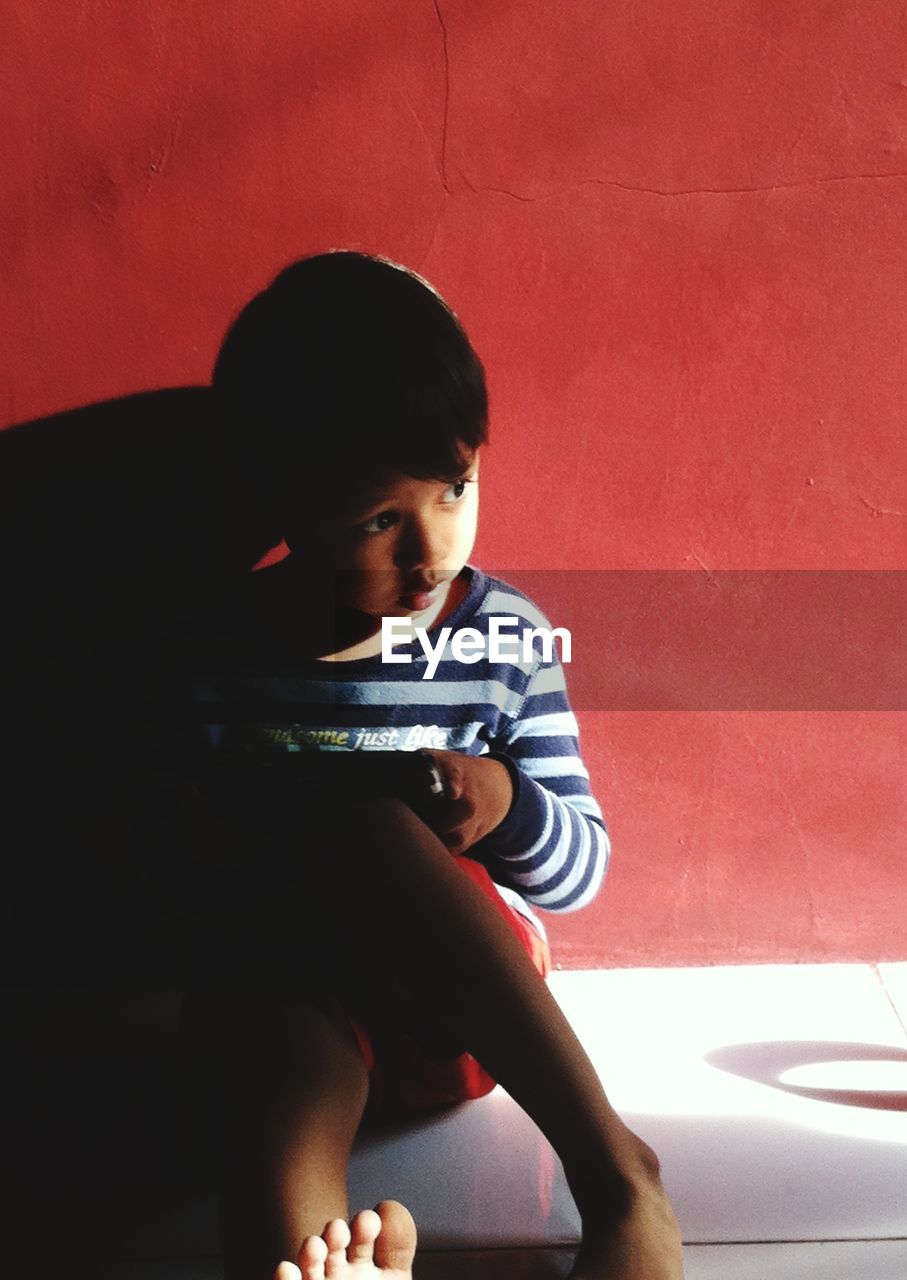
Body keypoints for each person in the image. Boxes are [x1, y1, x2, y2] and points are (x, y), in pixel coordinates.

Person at [167, 252, 685, 1279]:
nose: (429, 548)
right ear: (277, 505)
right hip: (298, 1000)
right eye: (376, 518)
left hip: (463, 1002)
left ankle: (617, 1173)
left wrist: (500, 807)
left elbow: (581, 870)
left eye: (454, 488)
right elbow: (176, 871)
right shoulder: (224, 647)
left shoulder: (500, 641)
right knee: (279, 1082)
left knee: (355, 818)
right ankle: (317, 1258)